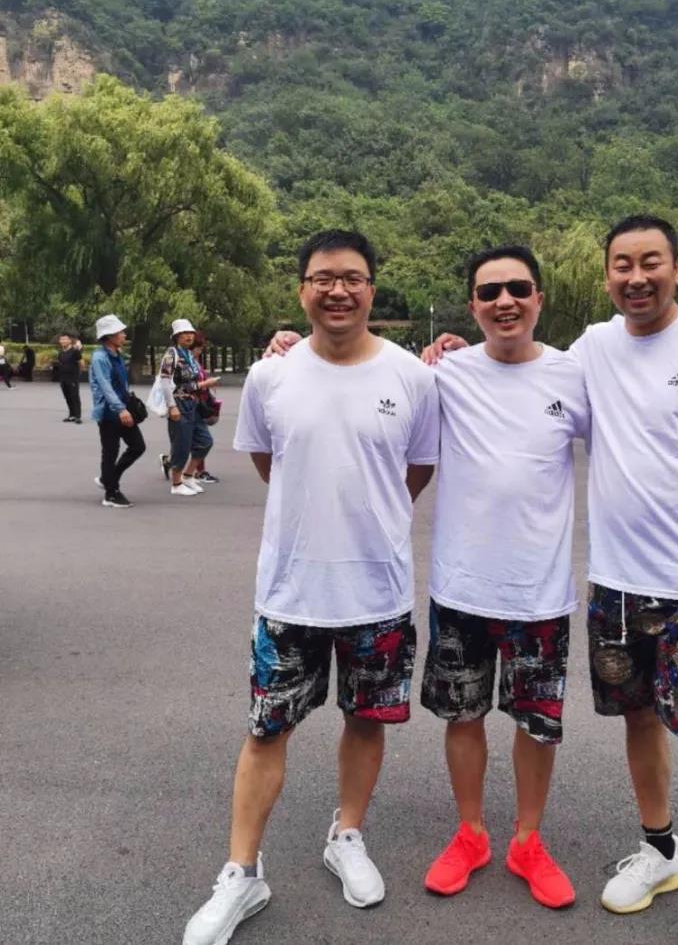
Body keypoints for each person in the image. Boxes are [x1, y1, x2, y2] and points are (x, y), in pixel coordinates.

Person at [425, 214, 678, 945]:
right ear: (607, 274)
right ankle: (659, 851)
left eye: (651, 262)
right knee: (638, 721)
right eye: (622, 265)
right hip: (614, 585)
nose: (636, 277)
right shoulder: (592, 350)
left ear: (677, 267)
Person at [264, 246, 589, 909]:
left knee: (536, 723)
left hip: (541, 590)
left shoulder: (575, 376)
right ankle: (470, 834)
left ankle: (528, 840)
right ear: (473, 305)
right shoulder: (443, 373)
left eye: (517, 288)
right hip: (460, 587)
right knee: (463, 716)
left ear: (539, 298)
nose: (504, 301)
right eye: (489, 291)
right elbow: (354, 373)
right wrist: (290, 345)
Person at [182, 230, 440, 945]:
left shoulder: (412, 378)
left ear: (371, 288)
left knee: (367, 720)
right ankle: (242, 872)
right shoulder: (271, 377)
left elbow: (416, 471)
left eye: (353, 278)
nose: (338, 290)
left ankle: (346, 834)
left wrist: (371, 516)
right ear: (302, 289)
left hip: (378, 593)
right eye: (323, 278)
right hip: (289, 592)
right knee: (267, 727)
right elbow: (271, 461)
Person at [155, 319, 218, 497]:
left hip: (193, 404)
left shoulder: (189, 355)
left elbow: (192, 382)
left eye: (190, 333)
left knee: (205, 441)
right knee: (181, 444)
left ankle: (188, 475)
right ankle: (176, 483)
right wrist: (172, 406)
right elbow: (165, 381)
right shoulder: (172, 354)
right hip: (179, 403)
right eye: (184, 334)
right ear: (176, 337)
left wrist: (203, 385)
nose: (189, 336)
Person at [89, 315, 145, 508]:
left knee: (138, 446)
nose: (124, 335)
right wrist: (121, 409)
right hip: (109, 411)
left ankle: (108, 479)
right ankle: (111, 494)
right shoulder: (100, 357)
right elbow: (105, 386)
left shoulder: (117, 354)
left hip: (123, 407)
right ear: (110, 335)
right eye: (120, 332)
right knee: (110, 452)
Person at [189, 331, 222, 483]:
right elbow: (187, 385)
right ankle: (195, 472)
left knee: (190, 441)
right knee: (202, 440)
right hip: (190, 405)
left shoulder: (195, 362)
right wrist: (205, 384)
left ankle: (171, 461)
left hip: (198, 404)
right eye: (198, 348)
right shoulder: (185, 363)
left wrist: (208, 384)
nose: (199, 351)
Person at [56, 334, 84, 423]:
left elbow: (81, 363)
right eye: (61, 339)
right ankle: (71, 415)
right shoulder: (60, 353)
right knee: (67, 397)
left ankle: (78, 416)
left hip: (73, 378)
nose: (63, 341)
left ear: (69, 341)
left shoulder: (75, 351)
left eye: (65, 339)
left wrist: (77, 374)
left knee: (74, 397)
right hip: (63, 378)